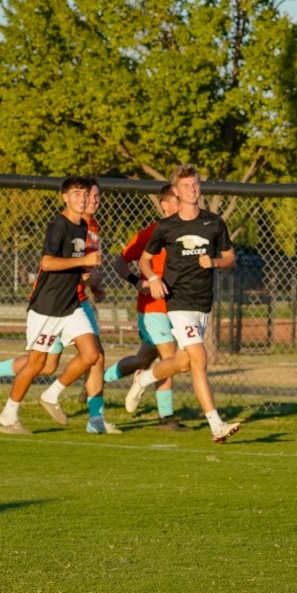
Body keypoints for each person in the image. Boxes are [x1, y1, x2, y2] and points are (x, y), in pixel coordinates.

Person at [124, 165, 241, 442]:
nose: (192, 189)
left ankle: (144, 379)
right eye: (186, 186)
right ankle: (216, 425)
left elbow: (230, 258)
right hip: (177, 302)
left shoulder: (214, 223)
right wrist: (152, 278)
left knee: (184, 362)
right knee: (200, 359)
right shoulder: (167, 226)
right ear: (176, 191)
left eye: (196, 184)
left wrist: (213, 261)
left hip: (203, 303)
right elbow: (144, 259)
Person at [0, 176, 113, 435]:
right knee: (37, 365)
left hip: (71, 304)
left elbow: (73, 261)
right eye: (77, 194)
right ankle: (8, 415)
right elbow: (47, 263)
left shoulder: (83, 226)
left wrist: (84, 273)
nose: (83, 199)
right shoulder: (57, 225)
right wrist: (84, 262)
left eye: (85, 194)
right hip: (47, 306)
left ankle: (52, 394)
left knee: (93, 354)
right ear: (65, 197)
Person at [0, 193, 106, 405]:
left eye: (96, 196)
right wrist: (85, 271)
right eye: (85, 194)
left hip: (76, 301)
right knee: (45, 365)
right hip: (54, 301)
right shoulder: (64, 224)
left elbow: (85, 267)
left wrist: (94, 283)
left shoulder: (91, 226)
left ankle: (95, 419)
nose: (91, 200)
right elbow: (53, 262)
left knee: (94, 355)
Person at [104, 184, 184, 430]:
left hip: (179, 308)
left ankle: (98, 380)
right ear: (165, 205)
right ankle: (166, 418)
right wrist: (137, 282)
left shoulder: (190, 234)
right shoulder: (151, 233)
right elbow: (120, 262)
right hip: (153, 307)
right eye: (178, 200)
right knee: (169, 357)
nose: (187, 204)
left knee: (142, 360)